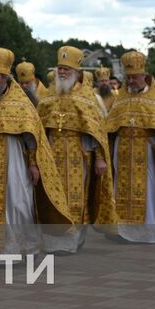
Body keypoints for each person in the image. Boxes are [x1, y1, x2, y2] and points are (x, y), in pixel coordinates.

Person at [0, 48, 69, 258]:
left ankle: (19, 246)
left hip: (14, 159)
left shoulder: (21, 103)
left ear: (5, 77)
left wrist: (33, 164)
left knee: (18, 203)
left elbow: (31, 137)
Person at [37, 47, 115, 254]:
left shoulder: (87, 97)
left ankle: (72, 240)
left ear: (77, 72)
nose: (62, 72)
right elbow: (39, 127)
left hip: (77, 155)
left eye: (66, 69)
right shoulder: (48, 95)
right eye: (60, 68)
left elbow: (96, 131)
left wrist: (100, 158)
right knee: (52, 197)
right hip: (51, 155)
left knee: (75, 196)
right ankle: (53, 241)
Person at [105, 51, 155, 243]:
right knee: (121, 189)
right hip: (122, 149)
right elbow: (109, 125)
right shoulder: (121, 98)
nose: (131, 81)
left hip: (147, 151)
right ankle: (124, 232)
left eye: (134, 77)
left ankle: (147, 233)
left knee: (149, 192)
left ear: (144, 76)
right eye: (128, 77)